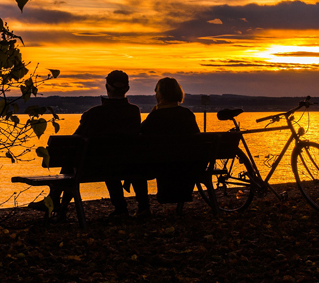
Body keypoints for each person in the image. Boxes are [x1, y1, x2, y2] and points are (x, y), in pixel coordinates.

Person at [30, 70, 149, 219]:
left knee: (73, 156)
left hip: (97, 167)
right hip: (128, 165)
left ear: (107, 87)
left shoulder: (94, 113)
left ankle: (56, 202)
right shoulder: (134, 112)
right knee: (96, 159)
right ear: (127, 88)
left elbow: (74, 141)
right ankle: (125, 208)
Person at [141, 77, 200, 205]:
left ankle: (143, 207)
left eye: (156, 91)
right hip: (187, 164)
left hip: (162, 165)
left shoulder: (155, 117)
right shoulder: (187, 114)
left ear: (161, 94)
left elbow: (141, 134)